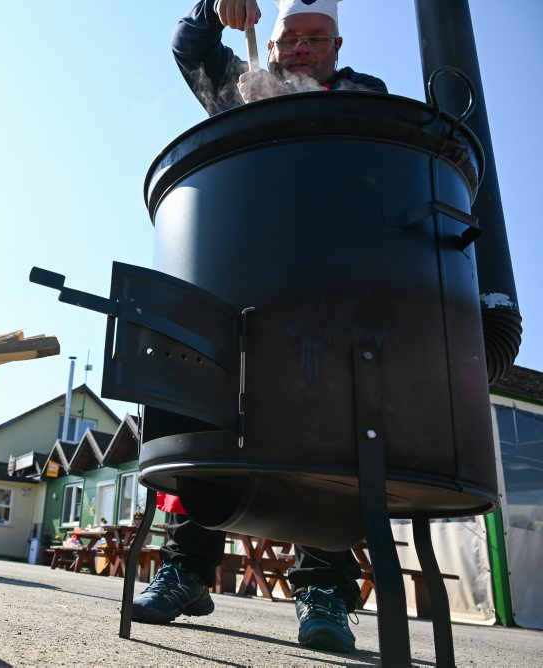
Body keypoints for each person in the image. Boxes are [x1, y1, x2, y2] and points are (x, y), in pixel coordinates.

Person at [132, 0, 388, 654]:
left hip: (324, 301)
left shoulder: (363, 97)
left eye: (315, 39)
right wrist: (216, 5)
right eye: (290, 39)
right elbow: (187, 46)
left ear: (335, 45)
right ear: (270, 44)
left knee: (331, 437)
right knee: (202, 419)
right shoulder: (237, 86)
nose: (301, 49)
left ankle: (325, 587)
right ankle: (186, 570)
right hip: (233, 283)